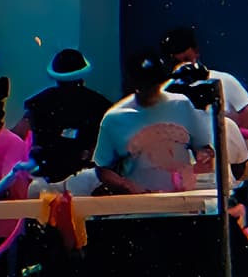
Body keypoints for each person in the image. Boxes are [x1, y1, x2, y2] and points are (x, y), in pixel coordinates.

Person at [94, 48, 223, 196]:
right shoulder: (114, 118)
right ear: (134, 85)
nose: (150, 90)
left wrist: (203, 157)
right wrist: (126, 186)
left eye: (154, 84)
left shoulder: (182, 105)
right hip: (138, 208)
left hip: (183, 204)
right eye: (144, 86)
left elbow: (204, 148)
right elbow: (102, 168)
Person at [26, 46, 110, 185]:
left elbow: (22, 135)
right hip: (85, 177)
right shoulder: (100, 105)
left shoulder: (39, 103)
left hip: (47, 176)